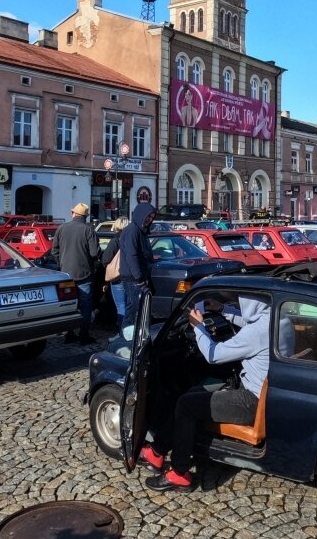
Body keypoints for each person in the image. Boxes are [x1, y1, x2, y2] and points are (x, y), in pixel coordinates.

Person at [140, 294, 271, 491]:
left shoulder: (256, 333)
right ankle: (157, 451)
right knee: (193, 392)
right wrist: (223, 309)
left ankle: (179, 472)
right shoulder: (276, 319)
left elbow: (213, 355)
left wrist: (199, 328)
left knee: (186, 405)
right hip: (256, 391)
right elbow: (249, 321)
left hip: (250, 400)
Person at [51, 202, 102, 343]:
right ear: (85, 216)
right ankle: (83, 336)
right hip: (84, 274)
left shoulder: (62, 228)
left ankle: (69, 334)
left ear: (73, 213)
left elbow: (54, 251)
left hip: (66, 274)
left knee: (69, 305)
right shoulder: (88, 229)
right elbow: (94, 253)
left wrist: (61, 263)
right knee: (85, 307)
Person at [115, 201, 156, 333]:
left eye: (151, 217)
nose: (149, 220)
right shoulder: (132, 230)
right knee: (136, 309)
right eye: (148, 216)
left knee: (136, 309)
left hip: (138, 276)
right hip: (132, 278)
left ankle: (131, 337)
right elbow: (131, 255)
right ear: (141, 215)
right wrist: (139, 278)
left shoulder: (141, 230)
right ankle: (127, 338)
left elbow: (142, 253)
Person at [101, 217, 130, 324]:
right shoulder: (132, 239)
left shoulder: (116, 239)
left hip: (118, 278)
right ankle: (130, 332)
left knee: (121, 306)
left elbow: (105, 259)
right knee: (129, 305)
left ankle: (122, 333)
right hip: (131, 276)